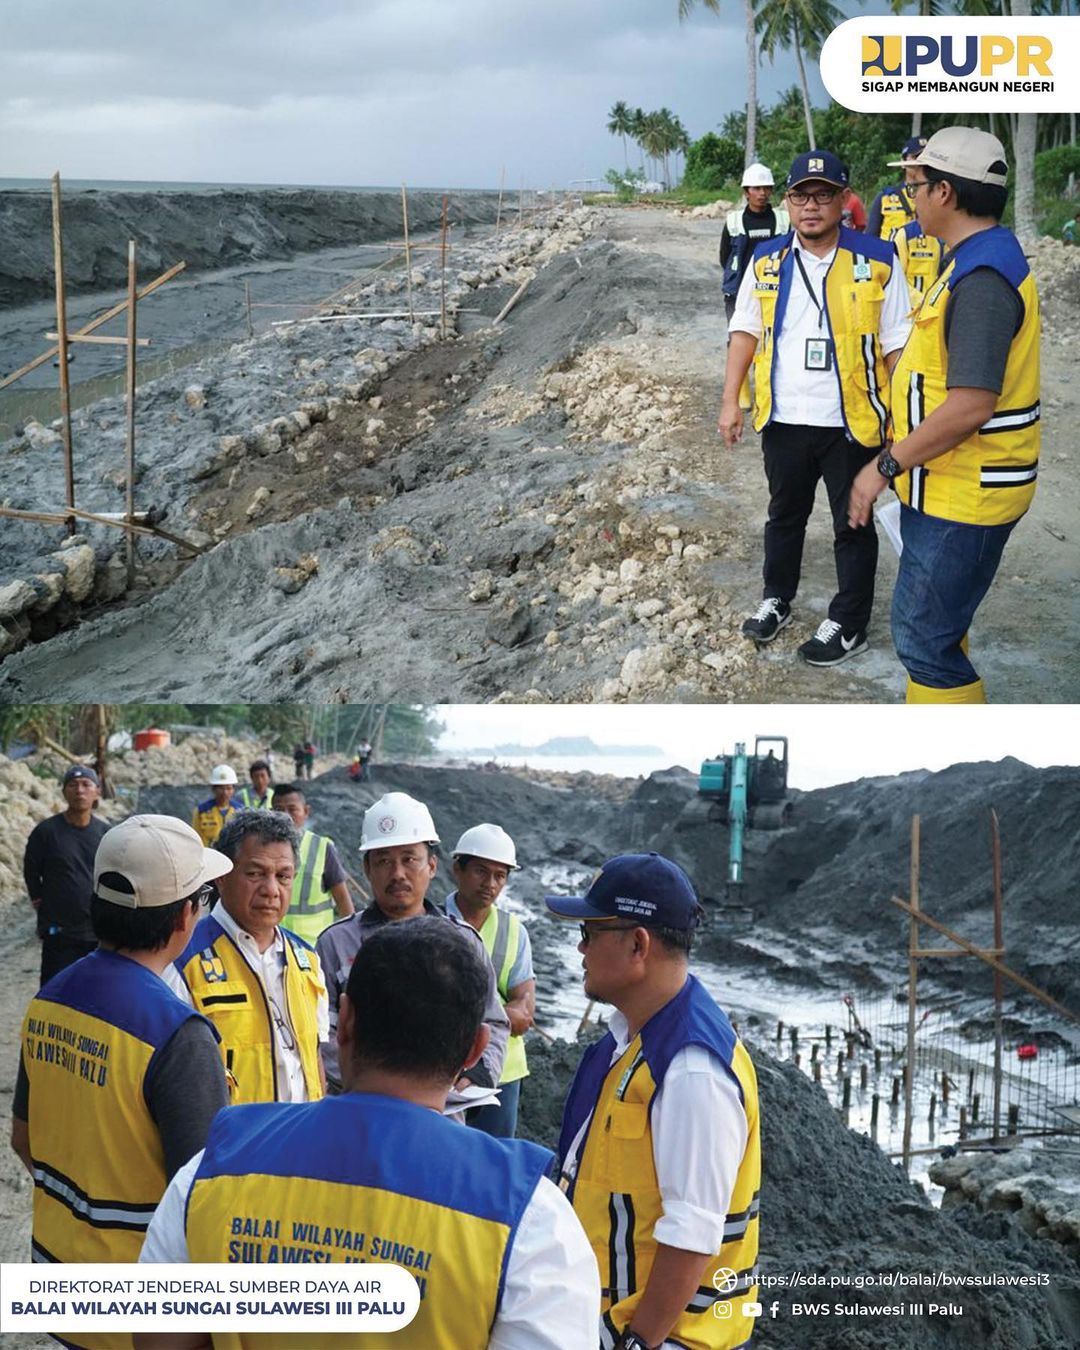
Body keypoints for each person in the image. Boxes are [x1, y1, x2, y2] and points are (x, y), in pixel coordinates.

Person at [139, 917, 600, 1350]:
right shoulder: (531, 1220)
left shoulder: (216, 1166)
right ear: (475, 1047)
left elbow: (158, 1338)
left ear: (347, 1021)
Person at [848, 127, 1041, 704]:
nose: (911, 196)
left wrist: (883, 465)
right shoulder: (973, 260)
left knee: (923, 640)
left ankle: (956, 768)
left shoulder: (981, 280)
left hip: (967, 494)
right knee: (938, 629)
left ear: (946, 195)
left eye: (917, 185)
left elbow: (970, 405)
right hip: (948, 485)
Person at [547, 853, 760, 1350]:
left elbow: (691, 1237)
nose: (580, 948)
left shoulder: (690, 1069)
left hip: (669, 1337)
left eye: (591, 932)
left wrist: (639, 1341)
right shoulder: (632, 1043)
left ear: (638, 944)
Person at [12, 815, 230, 1276]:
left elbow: (23, 1139)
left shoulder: (49, 999)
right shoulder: (179, 1036)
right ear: (183, 915)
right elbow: (204, 1200)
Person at [719, 150, 911, 665]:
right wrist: (730, 402)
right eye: (801, 195)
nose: (811, 206)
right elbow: (744, 332)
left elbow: (898, 345)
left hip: (852, 421)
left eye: (823, 194)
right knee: (784, 516)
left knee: (853, 522)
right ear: (787, 201)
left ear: (843, 199)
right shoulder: (767, 262)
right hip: (783, 419)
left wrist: (904, 420)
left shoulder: (878, 261)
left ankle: (849, 623)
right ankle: (777, 598)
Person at [316, 792, 509, 1095]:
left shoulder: (464, 943)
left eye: (409, 859)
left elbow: (492, 1021)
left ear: (431, 866)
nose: (398, 874)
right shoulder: (335, 944)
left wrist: (480, 1074)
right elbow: (319, 1031)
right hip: (357, 1112)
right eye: (383, 861)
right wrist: (377, 1085)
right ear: (367, 869)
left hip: (440, 1114)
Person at [174, 810, 328, 1103]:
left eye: (283, 876)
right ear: (222, 878)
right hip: (232, 1142)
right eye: (255, 874)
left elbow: (313, 1057)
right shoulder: (183, 959)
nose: (271, 890)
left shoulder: (307, 961)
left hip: (302, 1138)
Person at [448, 824, 535, 1138]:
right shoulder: (431, 923)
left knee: (493, 1161)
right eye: (481, 872)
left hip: (502, 1073)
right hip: (441, 1068)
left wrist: (506, 1014)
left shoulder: (514, 932)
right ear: (457, 869)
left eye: (500, 876)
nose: (491, 884)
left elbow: (525, 1011)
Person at [22, 765, 110, 984]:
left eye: (85, 785)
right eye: (72, 785)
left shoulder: (106, 834)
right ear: (64, 792)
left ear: (97, 792)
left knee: (96, 989)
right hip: (59, 931)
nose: (79, 790)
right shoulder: (46, 832)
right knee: (56, 989)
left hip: (97, 931)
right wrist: (38, 899)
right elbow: (31, 868)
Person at [719, 163, 790, 412]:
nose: (761, 193)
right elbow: (725, 256)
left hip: (775, 289)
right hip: (739, 292)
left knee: (773, 340)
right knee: (738, 338)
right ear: (746, 191)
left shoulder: (782, 219)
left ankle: (766, 388)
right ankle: (742, 392)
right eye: (756, 188)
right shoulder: (734, 221)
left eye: (766, 188)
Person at [271, 782, 355, 944]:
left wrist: (351, 942)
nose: (285, 816)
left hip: (315, 947)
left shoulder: (322, 848)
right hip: (274, 945)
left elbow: (343, 900)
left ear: (306, 811)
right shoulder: (262, 851)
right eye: (279, 810)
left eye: (292, 809)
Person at [867, 135, 928, 240]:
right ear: (903, 162)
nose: (920, 162)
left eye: (925, 157)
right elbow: (870, 237)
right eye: (916, 157)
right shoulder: (885, 197)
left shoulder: (938, 196)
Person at [190, 764, 239, 847]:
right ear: (213, 789)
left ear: (233, 790)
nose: (225, 792)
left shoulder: (240, 810)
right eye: (221, 788)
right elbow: (196, 838)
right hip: (210, 856)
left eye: (228, 788)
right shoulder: (201, 811)